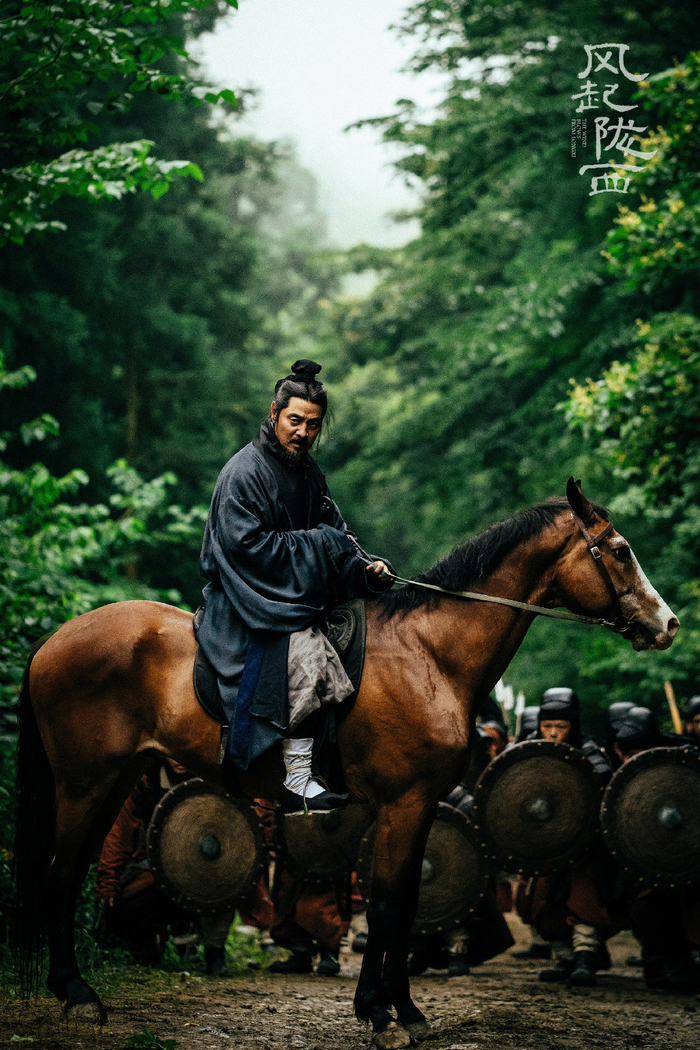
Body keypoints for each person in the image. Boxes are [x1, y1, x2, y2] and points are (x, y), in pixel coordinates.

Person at [196, 359, 392, 812]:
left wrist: (364, 570)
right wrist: (322, 544)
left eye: (313, 425)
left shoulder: (310, 474)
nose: (303, 433)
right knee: (310, 658)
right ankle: (297, 779)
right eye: (295, 420)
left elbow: (337, 538)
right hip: (248, 600)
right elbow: (248, 550)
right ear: (274, 413)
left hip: (288, 594)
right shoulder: (243, 472)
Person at [96, 757, 238, 976]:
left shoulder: (212, 777)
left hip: (204, 867)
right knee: (125, 901)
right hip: (156, 867)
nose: (179, 761)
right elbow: (120, 833)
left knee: (227, 882)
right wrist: (108, 880)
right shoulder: (144, 780)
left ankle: (214, 951)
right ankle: (148, 943)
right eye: (173, 755)